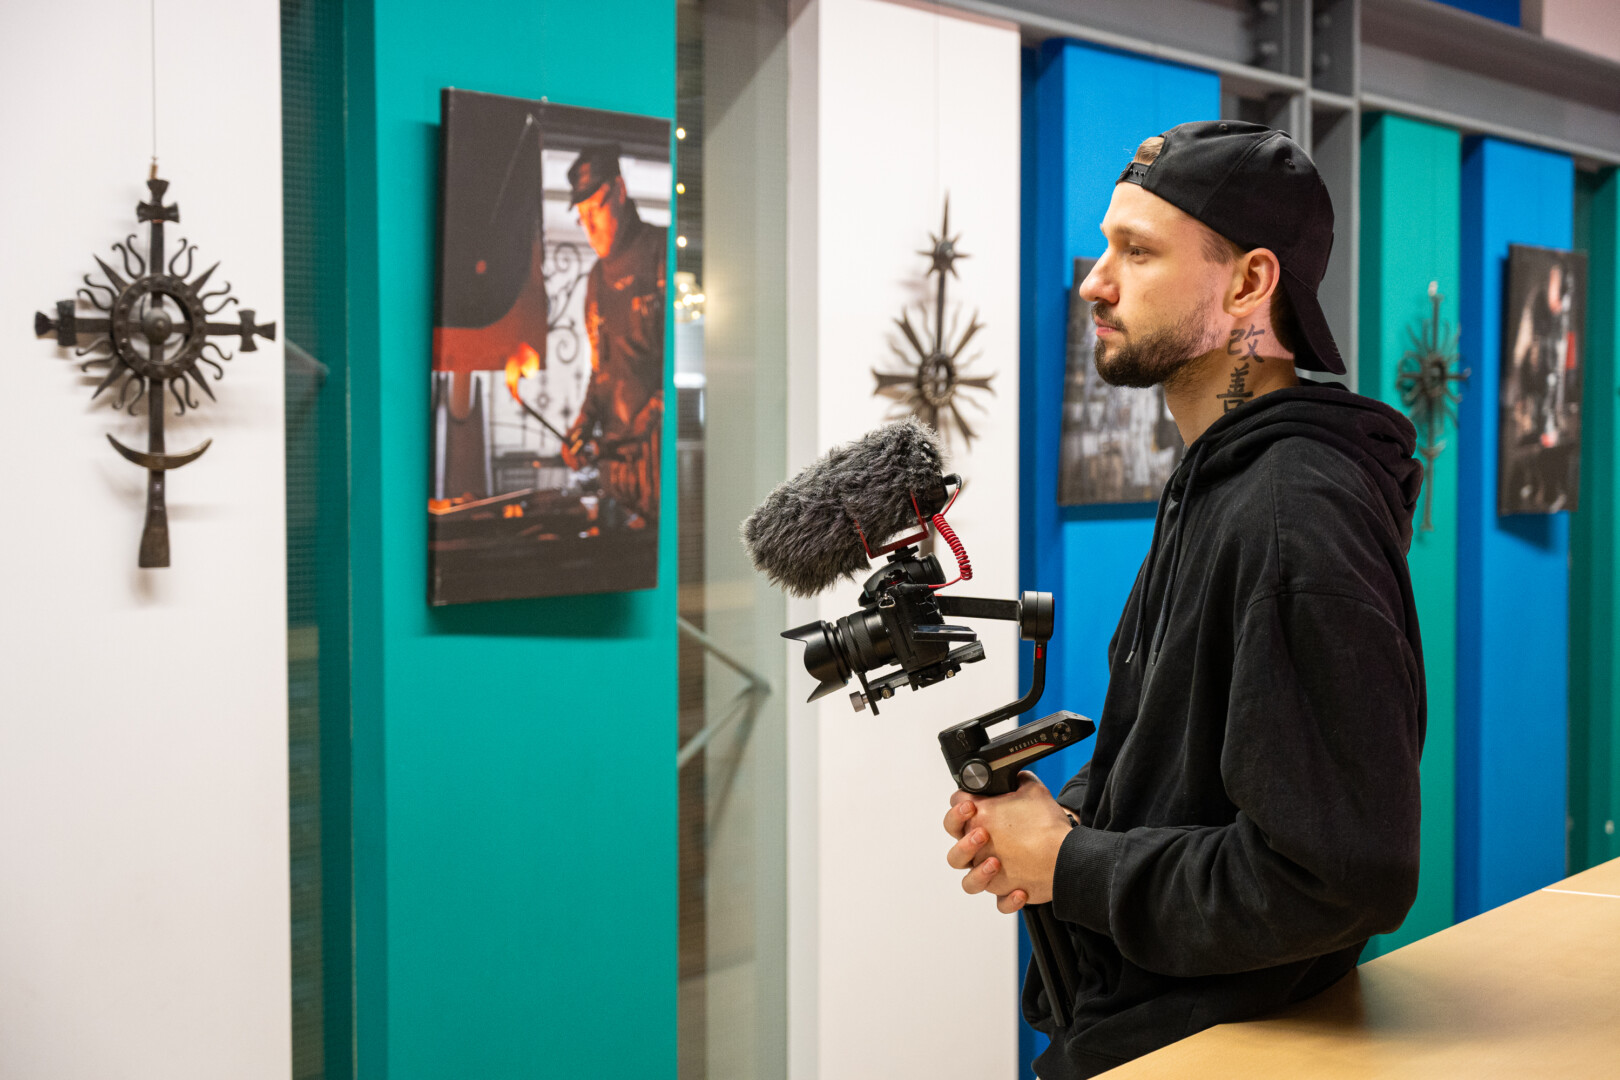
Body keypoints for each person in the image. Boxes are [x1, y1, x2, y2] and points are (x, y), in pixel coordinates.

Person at [942, 121, 1425, 1079]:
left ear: (1249, 284)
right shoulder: (1219, 483)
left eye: (1138, 251)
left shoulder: (1293, 514)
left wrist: (1069, 866)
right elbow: (1187, 770)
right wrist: (1057, 825)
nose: (1095, 282)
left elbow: (1337, 878)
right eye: (1106, 246)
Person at [561, 143, 666, 522]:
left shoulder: (662, 252)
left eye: (596, 210)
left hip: (660, 471)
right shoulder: (595, 281)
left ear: (619, 191)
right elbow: (600, 371)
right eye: (582, 217)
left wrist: (638, 430)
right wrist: (582, 426)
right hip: (618, 479)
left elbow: (676, 373)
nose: (589, 228)